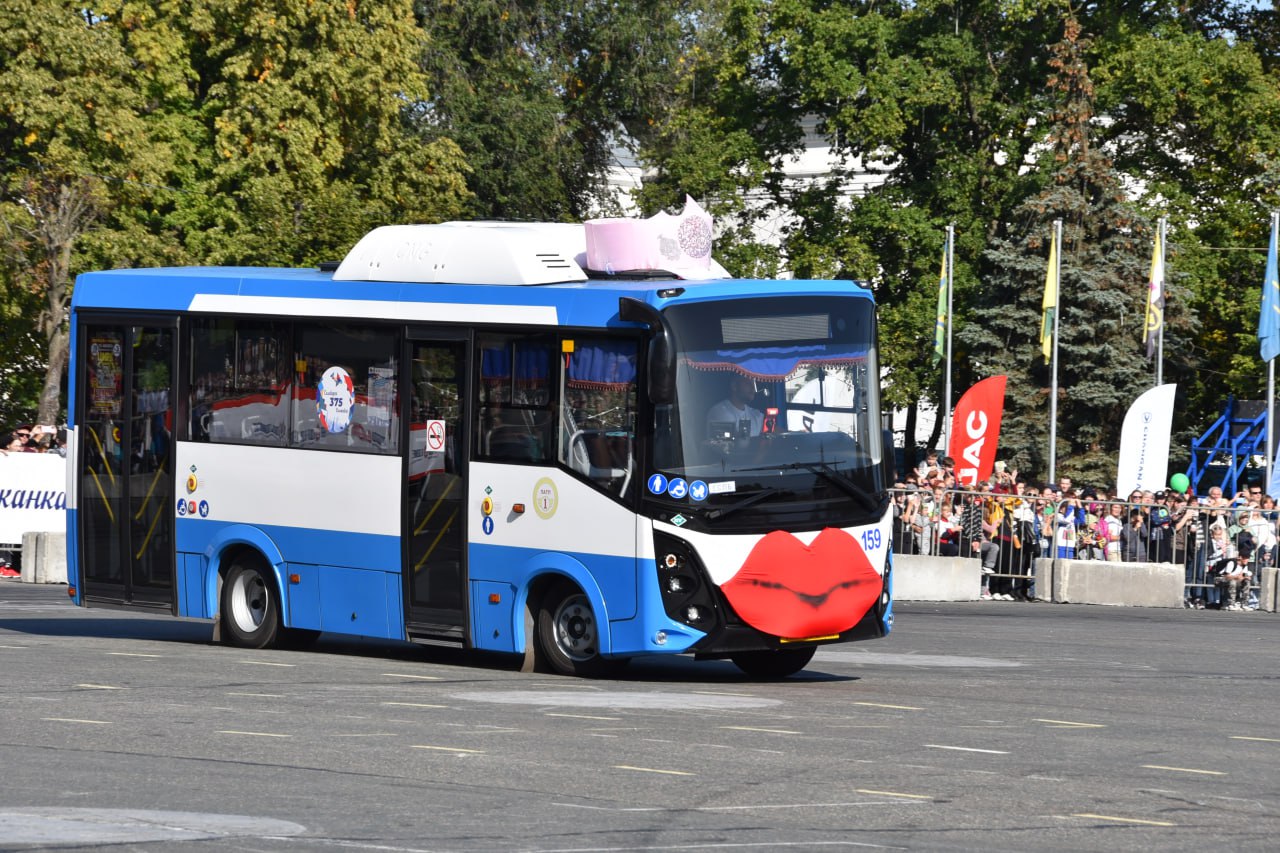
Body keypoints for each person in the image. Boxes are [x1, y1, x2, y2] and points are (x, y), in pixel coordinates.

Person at [706, 373, 763, 440]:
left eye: (753, 382)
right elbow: (731, 445)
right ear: (734, 386)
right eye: (747, 382)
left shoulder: (755, 414)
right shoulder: (719, 412)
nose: (753, 387)